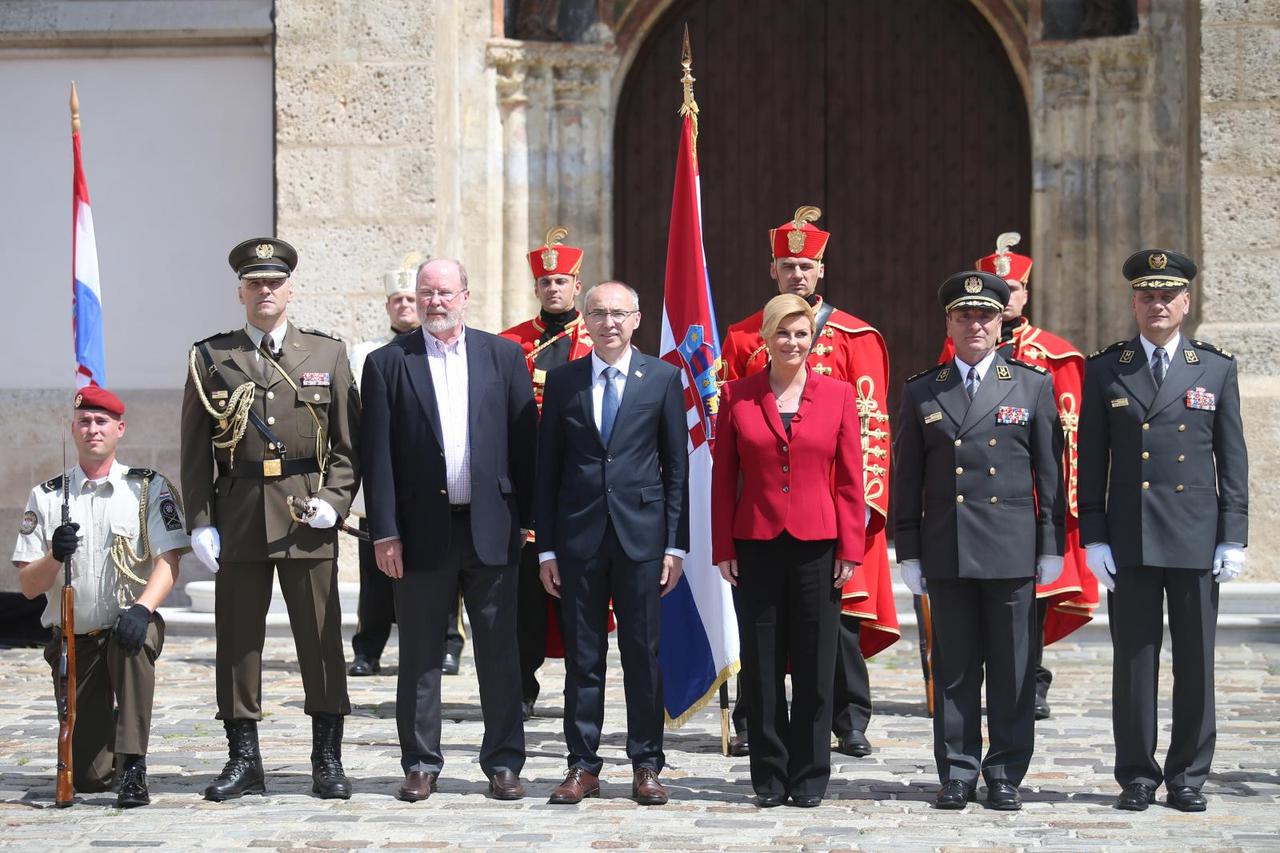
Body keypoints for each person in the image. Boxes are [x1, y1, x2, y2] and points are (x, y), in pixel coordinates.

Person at [181, 237, 361, 801]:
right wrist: (200, 520)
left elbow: (348, 446)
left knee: (320, 636)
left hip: (307, 515)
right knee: (238, 640)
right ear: (240, 291)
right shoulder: (211, 357)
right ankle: (243, 758)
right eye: (254, 283)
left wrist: (334, 502)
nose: (265, 290)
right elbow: (194, 450)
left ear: (291, 288)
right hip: (238, 513)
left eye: (274, 282)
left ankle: (326, 758)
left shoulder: (325, 354)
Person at [721, 206, 898, 758]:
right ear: (773, 270)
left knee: (837, 621)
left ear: (821, 271)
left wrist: (867, 508)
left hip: (831, 506)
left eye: (807, 265)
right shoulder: (745, 335)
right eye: (787, 264)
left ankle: (849, 717)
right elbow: (731, 426)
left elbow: (870, 424)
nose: (798, 273)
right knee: (763, 624)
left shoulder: (854, 336)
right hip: (764, 510)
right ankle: (756, 714)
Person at [360, 258, 536, 803]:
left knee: (499, 654)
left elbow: (523, 444)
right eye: (425, 292)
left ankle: (504, 763)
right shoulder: (388, 363)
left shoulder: (504, 357)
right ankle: (420, 762)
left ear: (466, 295)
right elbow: (378, 457)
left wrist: (530, 524)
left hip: (492, 531)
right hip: (419, 534)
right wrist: (384, 532)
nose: (435, 301)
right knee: (418, 653)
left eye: (445, 292)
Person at [1078, 249, 1248, 813]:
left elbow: (1232, 456)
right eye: (1146, 296)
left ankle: (1189, 774)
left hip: (1196, 536)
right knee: (1134, 661)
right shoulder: (1107, 368)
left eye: (1166, 296)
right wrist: (1094, 534)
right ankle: (1137, 775)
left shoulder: (1215, 368)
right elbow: (1091, 457)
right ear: (1133, 303)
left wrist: (1233, 535)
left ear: (1185, 303)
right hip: (1132, 537)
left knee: (1196, 660)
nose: (1157, 305)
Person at [893, 271, 1064, 811]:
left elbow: (1049, 473)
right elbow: (907, 476)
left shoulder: (1032, 384)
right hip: (949, 548)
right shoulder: (924, 388)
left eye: (984, 315)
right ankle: (959, 771)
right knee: (955, 668)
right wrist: (910, 548)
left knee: (1014, 669)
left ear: (1001, 321)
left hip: (1011, 548)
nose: (975, 324)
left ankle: (1007, 770)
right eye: (964, 315)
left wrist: (1051, 544)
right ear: (949, 321)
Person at [927, 232, 1096, 720]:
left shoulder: (1055, 355)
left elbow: (1069, 430)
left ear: (1022, 294)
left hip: (1025, 504)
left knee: (1029, 604)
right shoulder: (957, 351)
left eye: (1012, 287)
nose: (1004, 295)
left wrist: (1066, 502)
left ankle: (1031, 680)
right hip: (967, 505)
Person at [536, 281, 689, 806]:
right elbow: (548, 468)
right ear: (585, 319)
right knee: (583, 658)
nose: (609, 323)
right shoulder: (564, 381)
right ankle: (582, 764)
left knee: (642, 656)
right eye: (599, 313)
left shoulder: (664, 379)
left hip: (642, 540)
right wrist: (547, 548)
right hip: (578, 539)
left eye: (619, 313)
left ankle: (646, 763)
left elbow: (676, 469)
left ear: (637, 319)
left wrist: (676, 545)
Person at [712, 294, 865, 808]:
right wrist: (721, 545)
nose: (793, 342)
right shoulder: (737, 395)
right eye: (783, 333)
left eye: (802, 334)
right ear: (765, 338)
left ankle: (810, 774)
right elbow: (722, 479)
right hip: (754, 545)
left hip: (818, 547)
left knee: (817, 664)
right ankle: (770, 775)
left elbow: (849, 480)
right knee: (761, 664)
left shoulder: (839, 395)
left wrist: (851, 547)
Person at [14, 388, 187, 808]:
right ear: (73, 430)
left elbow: (169, 561)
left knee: (132, 644)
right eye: (85, 422)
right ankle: (110, 733)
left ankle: (134, 768)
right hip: (74, 639)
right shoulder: (48, 496)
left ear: (119, 429)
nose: (93, 429)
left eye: (102, 421)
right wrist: (54, 555)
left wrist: (144, 608)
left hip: (128, 624)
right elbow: (28, 585)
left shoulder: (146, 489)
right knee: (90, 778)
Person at [346, 251, 468, 679]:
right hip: (383, 482)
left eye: (408, 297)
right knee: (375, 574)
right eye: (400, 299)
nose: (407, 305)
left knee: (445, 572)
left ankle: (449, 641)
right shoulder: (369, 354)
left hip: (437, 485)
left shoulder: (454, 351)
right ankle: (369, 645)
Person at [499, 226, 596, 720]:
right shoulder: (510, 343)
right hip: (528, 487)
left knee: (580, 599)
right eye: (545, 282)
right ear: (536, 288)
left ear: (577, 285)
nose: (553, 289)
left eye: (562, 281)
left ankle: (582, 690)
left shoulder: (599, 340)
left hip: (581, 490)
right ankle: (520, 687)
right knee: (525, 601)